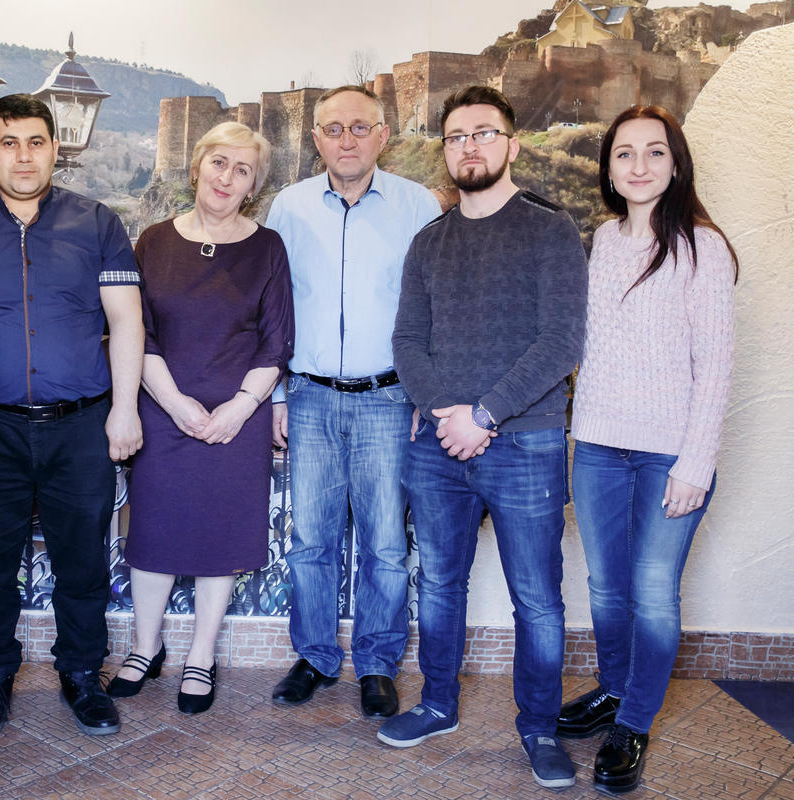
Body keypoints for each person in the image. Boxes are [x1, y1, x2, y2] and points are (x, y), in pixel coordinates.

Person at [0, 94, 144, 739]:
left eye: (36, 142)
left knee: (83, 562)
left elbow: (127, 320)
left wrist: (125, 409)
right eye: (9, 142)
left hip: (81, 425)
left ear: (55, 149)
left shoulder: (97, 223)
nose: (23, 156)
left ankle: (82, 676)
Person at [385, 86, 587, 791]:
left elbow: (561, 341)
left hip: (526, 443)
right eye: (456, 136)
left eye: (483, 133)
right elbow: (407, 340)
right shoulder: (429, 242)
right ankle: (437, 704)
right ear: (445, 149)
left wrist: (485, 416)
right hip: (438, 443)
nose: (469, 146)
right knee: (440, 583)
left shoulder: (550, 230)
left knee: (537, 598)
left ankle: (540, 728)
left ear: (511, 144)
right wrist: (447, 411)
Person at [556, 105, 737, 794]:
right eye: (624, 153)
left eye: (655, 152)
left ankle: (633, 724)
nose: (639, 165)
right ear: (608, 169)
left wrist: (696, 464)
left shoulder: (702, 247)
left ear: (676, 163)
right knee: (605, 589)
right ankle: (613, 689)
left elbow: (715, 366)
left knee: (653, 594)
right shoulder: (602, 241)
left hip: (670, 455)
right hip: (599, 447)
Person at [106, 122, 293, 714]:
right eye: (218, 163)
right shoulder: (153, 242)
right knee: (154, 532)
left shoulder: (268, 248)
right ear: (197, 167)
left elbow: (277, 342)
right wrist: (174, 403)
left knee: (221, 537)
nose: (226, 177)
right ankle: (145, 648)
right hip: (163, 411)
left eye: (242, 170)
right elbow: (137, 331)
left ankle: (201, 656)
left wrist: (240, 409)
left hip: (238, 419)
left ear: (253, 186)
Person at [266, 85, 441, 718]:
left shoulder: (418, 206)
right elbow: (272, 308)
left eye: (360, 127)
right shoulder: (288, 207)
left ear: (383, 136)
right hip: (309, 399)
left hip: (389, 400)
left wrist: (427, 394)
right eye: (334, 128)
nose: (347, 139)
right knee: (310, 539)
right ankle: (315, 656)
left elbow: (435, 308)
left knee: (385, 544)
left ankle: (376, 664)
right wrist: (277, 395)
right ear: (316, 138)